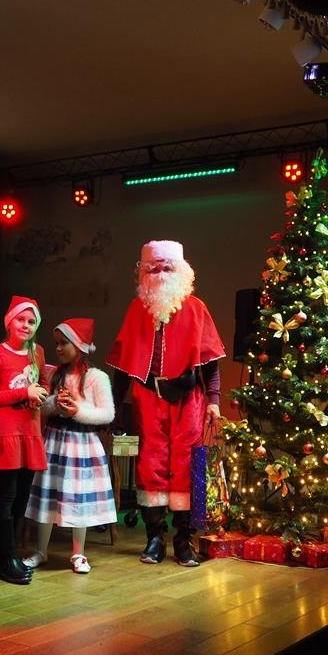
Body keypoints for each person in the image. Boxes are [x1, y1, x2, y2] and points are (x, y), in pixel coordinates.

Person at [107, 240, 225, 566]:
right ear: (143, 272)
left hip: (189, 398)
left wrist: (214, 401)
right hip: (148, 396)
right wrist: (116, 405)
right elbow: (123, 364)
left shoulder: (197, 308)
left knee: (188, 465)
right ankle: (154, 538)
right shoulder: (136, 310)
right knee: (150, 464)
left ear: (181, 271)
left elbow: (210, 362)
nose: (160, 274)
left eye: (167, 267)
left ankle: (184, 540)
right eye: (153, 268)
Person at [24, 318, 117, 574]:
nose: (59, 348)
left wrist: (77, 410)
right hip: (55, 441)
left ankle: (78, 553)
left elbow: (107, 414)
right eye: (57, 343)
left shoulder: (96, 377)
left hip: (81, 444)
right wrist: (55, 403)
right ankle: (41, 551)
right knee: (48, 495)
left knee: (79, 497)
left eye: (64, 343)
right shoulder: (54, 374)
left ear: (80, 345)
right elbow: (42, 407)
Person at [0, 295, 49, 585]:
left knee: (22, 499)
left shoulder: (38, 352)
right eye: (21, 319)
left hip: (30, 433)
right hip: (8, 433)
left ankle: (15, 556)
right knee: (6, 499)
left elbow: (43, 383)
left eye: (31, 321)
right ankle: (5, 560)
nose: (26, 325)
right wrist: (24, 393)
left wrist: (40, 394)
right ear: (9, 322)